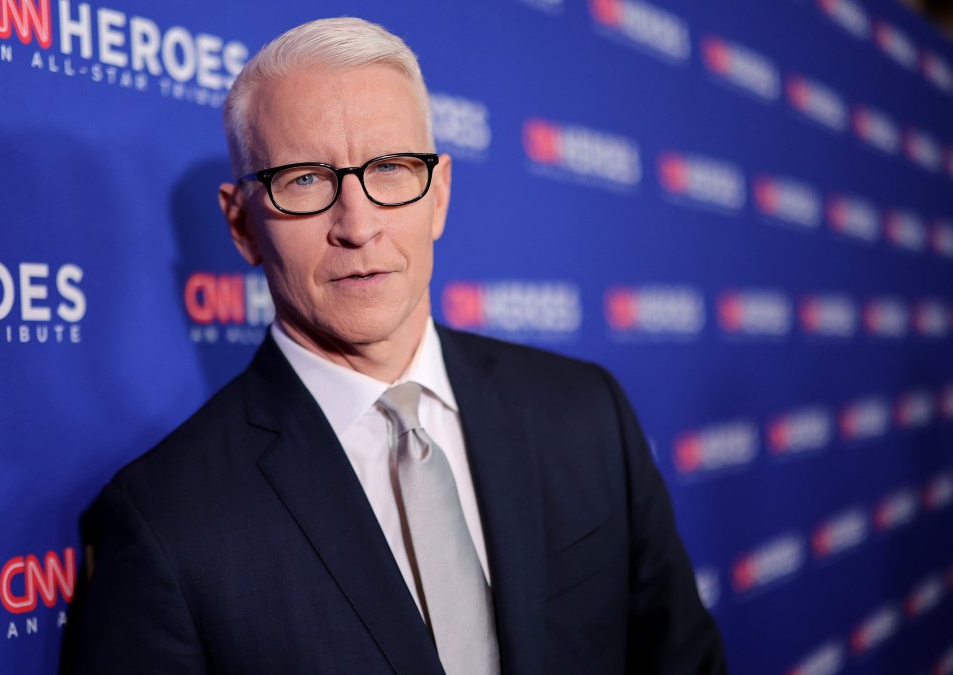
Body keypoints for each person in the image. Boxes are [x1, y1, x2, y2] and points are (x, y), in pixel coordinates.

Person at [76, 16, 727, 675]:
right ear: (241, 224)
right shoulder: (165, 519)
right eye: (304, 179)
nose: (358, 226)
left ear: (438, 195)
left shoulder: (587, 413)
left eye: (389, 168)